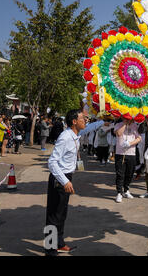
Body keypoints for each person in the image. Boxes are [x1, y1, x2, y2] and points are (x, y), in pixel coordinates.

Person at [45, 109, 86, 256]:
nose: (85, 120)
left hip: (67, 176)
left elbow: (92, 127)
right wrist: (64, 181)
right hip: (59, 179)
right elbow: (52, 162)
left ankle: (59, 243)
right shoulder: (65, 137)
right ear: (74, 121)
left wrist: (105, 118)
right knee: (54, 215)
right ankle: (50, 250)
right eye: (82, 118)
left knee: (62, 214)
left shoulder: (75, 135)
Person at [114, 117, 142, 203]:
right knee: (120, 173)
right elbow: (118, 133)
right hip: (120, 153)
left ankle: (126, 190)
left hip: (131, 153)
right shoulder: (118, 125)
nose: (129, 120)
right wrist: (125, 124)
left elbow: (139, 138)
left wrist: (130, 143)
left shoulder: (134, 126)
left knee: (129, 173)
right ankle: (119, 192)